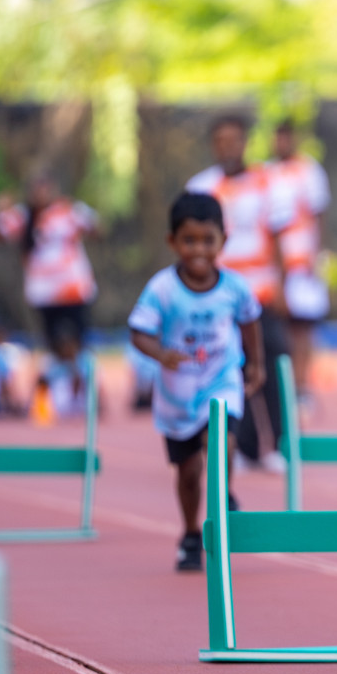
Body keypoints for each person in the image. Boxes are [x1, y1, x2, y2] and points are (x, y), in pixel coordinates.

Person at [129, 192, 264, 573]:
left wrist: (255, 364)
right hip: (177, 393)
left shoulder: (234, 287)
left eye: (208, 240)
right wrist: (160, 353)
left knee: (221, 440)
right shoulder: (162, 289)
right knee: (188, 472)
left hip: (221, 380)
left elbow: (250, 321)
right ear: (173, 242)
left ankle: (222, 494)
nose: (199, 250)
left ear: (223, 240)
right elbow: (138, 332)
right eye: (189, 241)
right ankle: (190, 533)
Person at [188, 115, 293, 472]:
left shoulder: (268, 181)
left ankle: (279, 444)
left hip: (262, 292)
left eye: (234, 139)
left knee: (275, 364)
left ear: (245, 142)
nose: (228, 147)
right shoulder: (201, 187)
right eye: (221, 140)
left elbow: (278, 235)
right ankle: (247, 447)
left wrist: (282, 283)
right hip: (223, 297)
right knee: (234, 368)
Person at [0, 175, 101, 350]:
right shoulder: (23, 216)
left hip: (73, 288)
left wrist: (88, 218)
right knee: (52, 343)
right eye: (37, 189)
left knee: (80, 341)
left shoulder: (68, 211)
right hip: (45, 292)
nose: (41, 194)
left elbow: (97, 231)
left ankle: (82, 374)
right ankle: (58, 375)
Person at [267, 119, 332, 401]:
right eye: (276, 138)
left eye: (285, 138)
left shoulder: (309, 170)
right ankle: (283, 386)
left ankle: (303, 385)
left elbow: (319, 215)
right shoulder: (265, 172)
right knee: (280, 327)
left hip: (302, 263)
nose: (281, 143)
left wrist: (316, 257)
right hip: (275, 266)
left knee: (303, 327)